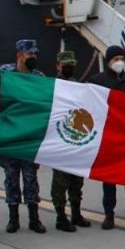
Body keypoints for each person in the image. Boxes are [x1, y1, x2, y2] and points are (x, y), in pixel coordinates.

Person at [0, 39, 46, 234]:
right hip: (11, 134)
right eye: (30, 55)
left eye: (35, 55)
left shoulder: (38, 76)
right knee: (11, 177)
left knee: (31, 178)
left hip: (29, 136)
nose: (33, 58)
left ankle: (34, 218)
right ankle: (13, 218)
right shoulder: (5, 72)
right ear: (19, 55)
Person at [87, 45, 125, 229]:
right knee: (109, 177)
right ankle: (109, 214)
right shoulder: (97, 81)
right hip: (108, 136)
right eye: (115, 59)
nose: (119, 62)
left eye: (122, 58)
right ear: (108, 61)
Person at [50, 50, 91, 232]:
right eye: (66, 64)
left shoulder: (78, 85)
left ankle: (76, 213)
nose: (69, 67)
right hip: (59, 140)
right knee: (60, 182)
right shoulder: (51, 85)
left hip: (75, 140)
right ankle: (60, 216)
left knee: (76, 180)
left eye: (72, 64)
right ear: (58, 65)